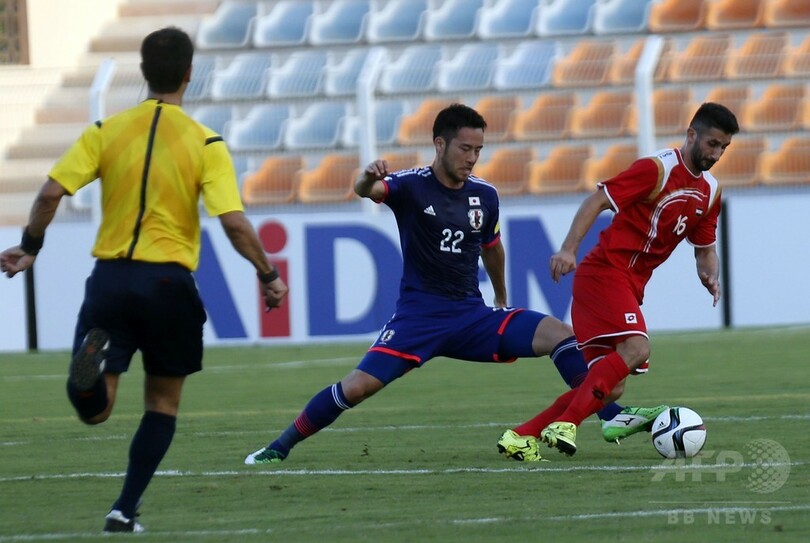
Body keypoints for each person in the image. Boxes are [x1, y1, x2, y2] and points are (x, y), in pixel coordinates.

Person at [244, 103, 661, 466]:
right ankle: (278, 448)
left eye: (478, 150)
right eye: (465, 148)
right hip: (419, 319)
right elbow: (367, 189)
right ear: (440, 144)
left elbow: (492, 248)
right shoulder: (410, 185)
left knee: (561, 336)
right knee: (357, 387)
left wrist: (500, 295)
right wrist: (365, 176)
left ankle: (610, 416)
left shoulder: (485, 196)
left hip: (471, 316)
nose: (472, 158)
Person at [0, 27, 288, 533]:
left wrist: (31, 247)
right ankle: (123, 510)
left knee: (96, 411)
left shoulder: (105, 131)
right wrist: (267, 274)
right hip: (168, 285)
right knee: (162, 404)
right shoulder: (205, 142)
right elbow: (234, 223)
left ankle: (88, 372)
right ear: (189, 74)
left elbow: (49, 194)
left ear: (142, 72)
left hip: (111, 280)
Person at [499, 102, 739, 459]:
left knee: (610, 389)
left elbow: (705, 248)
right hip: (605, 274)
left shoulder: (711, 191)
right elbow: (597, 201)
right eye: (712, 144)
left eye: (724, 148)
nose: (716, 154)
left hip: (626, 284)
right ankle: (566, 424)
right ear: (692, 135)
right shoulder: (657, 169)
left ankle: (520, 436)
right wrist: (568, 249)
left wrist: (710, 274)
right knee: (637, 348)